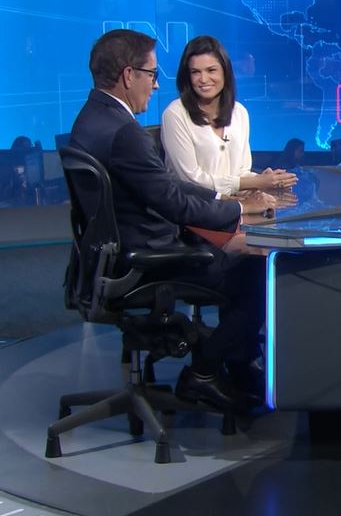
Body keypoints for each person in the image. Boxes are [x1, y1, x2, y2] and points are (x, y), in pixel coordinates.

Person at [68, 29, 274, 411]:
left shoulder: (92, 118)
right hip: (147, 260)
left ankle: (233, 366)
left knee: (236, 254)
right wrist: (239, 211)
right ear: (129, 76)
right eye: (151, 74)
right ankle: (206, 372)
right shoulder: (124, 132)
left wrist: (228, 205)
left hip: (117, 254)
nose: (155, 83)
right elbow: (173, 202)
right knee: (256, 272)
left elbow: (167, 189)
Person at [161, 35, 296, 195]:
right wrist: (256, 182)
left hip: (232, 208)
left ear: (225, 72)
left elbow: (241, 173)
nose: (203, 79)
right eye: (195, 72)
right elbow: (191, 180)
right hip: (192, 211)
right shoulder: (175, 114)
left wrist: (267, 181)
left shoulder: (239, 112)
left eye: (211, 70)